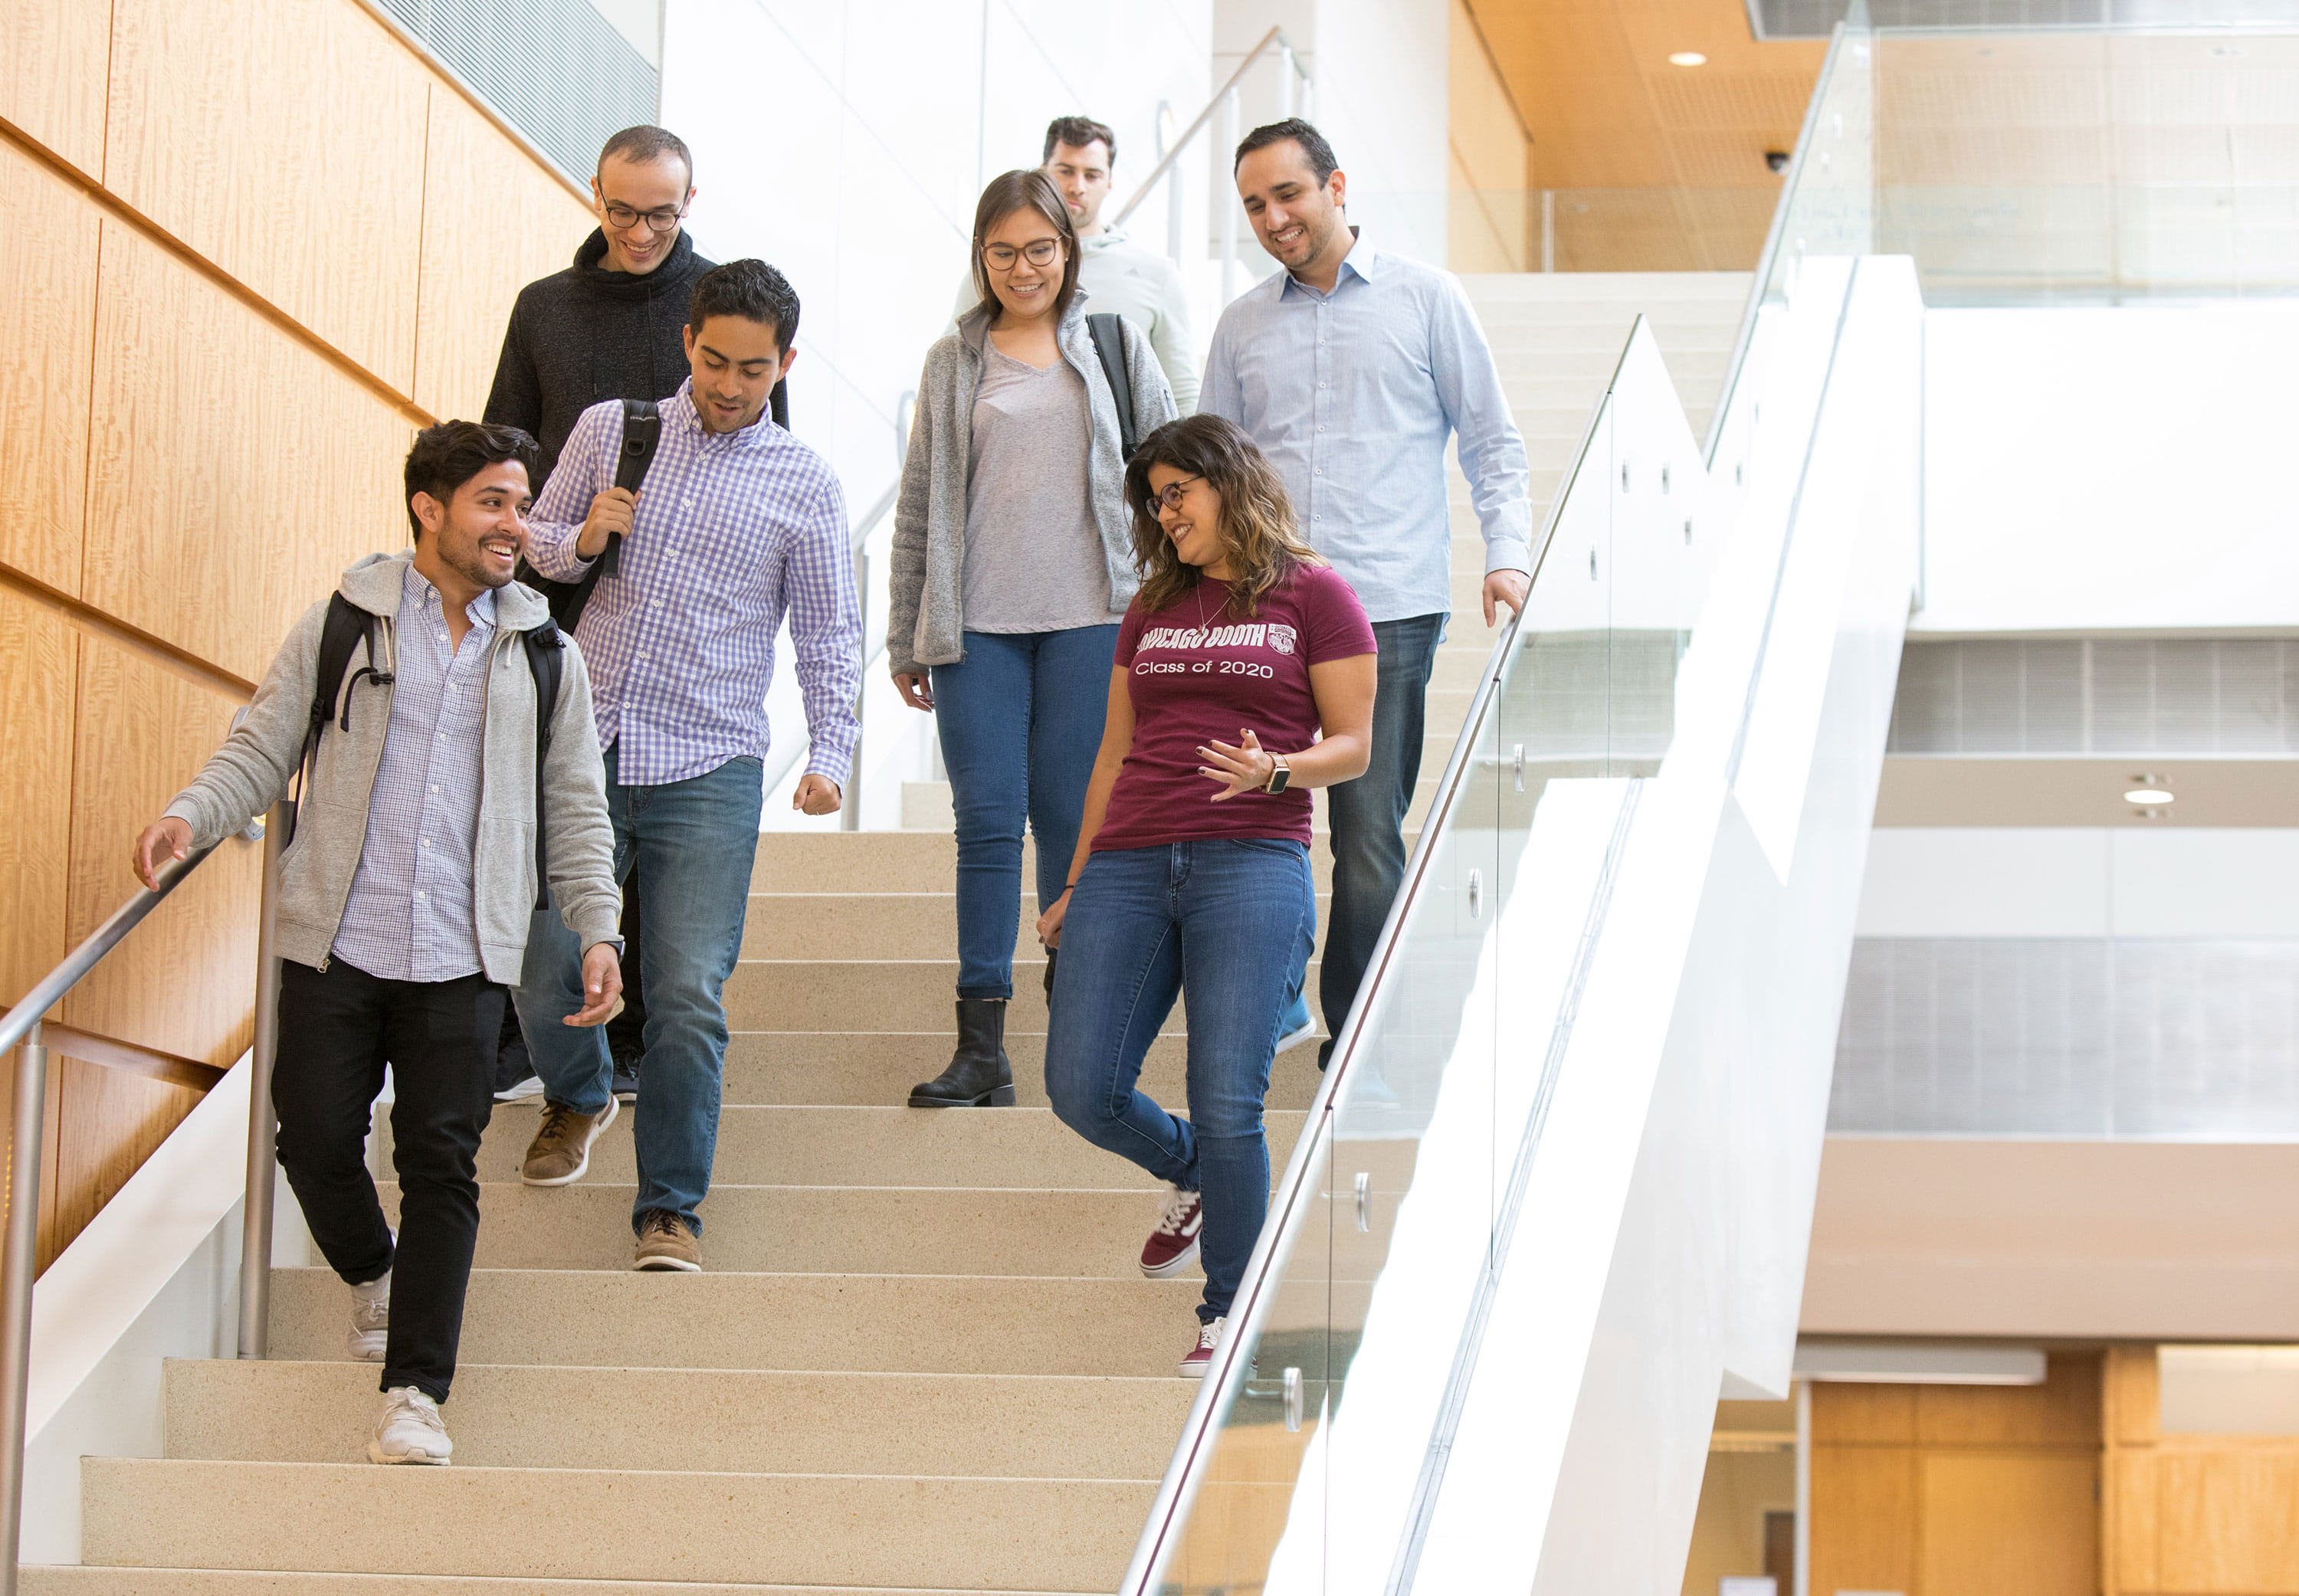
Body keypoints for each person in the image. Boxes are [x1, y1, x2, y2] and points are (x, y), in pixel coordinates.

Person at [130, 422, 625, 1465]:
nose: (515, 524)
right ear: (428, 507)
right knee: (309, 1139)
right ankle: (374, 1269)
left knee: (441, 1161)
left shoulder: (545, 653)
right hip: (337, 940)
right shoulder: (340, 626)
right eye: (493, 502)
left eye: (521, 502)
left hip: (461, 952)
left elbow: (576, 806)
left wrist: (597, 926)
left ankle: (415, 1391)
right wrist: (192, 816)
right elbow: (261, 748)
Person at [511, 258, 862, 1273]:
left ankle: (669, 1204)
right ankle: (578, 1094)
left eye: (753, 369)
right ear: (688, 342)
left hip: (708, 762)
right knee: (543, 959)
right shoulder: (615, 429)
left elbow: (829, 636)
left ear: (784, 362)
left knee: (688, 992)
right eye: (714, 360)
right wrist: (581, 535)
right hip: (586, 742)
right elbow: (534, 542)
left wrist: (829, 751)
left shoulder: (804, 482)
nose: (728, 383)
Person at [1039, 413, 1376, 1376]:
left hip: (1252, 860)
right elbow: (1114, 751)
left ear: (1229, 484)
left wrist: (1277, 771)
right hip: (1131, 861)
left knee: (1230, 1098)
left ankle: (1230, 1307)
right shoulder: (1153, 604)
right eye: (1154, 499)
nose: (1165, 510)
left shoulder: (1317, 595)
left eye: (1178, 490)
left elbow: (1352, 746)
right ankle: (1193, 1173)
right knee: (1080, 1086)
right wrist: (1074, 878)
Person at [1201, 117, 1533, 1066]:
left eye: (1288, 195)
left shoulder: (1428, 300)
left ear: (1337, 187)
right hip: (1262, 611)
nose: (1272, 218)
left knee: (1367, 832)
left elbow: (1492, 441)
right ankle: (1272, 1006)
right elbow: (1209, 474)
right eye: (1255, 205)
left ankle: (1358, 1032)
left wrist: (1506, 553)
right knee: (1256, 821)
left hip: (1387, 608)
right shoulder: (1240, 325)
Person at [891, 169, 1178, 1109]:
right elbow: (919, 506)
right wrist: (907, 633)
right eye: (1005, 250)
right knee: (985, 824)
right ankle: (982, 1048)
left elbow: (1181, 471)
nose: (1025, 267)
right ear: (982, 257)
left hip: (1095, 618)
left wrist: (1177, 607)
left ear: (1069, 250)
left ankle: (1075, 1029)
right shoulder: (952, 362)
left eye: (1041, 248)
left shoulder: (1111, 344)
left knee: (1071, 817)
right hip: (976, 628)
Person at [484, 123, 723, 1105]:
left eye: (660, 213)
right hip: (554, 599)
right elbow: (504, 446)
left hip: (670, 615)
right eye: (621, 210)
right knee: (543, 816)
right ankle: (521, 1036)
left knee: (635, 828)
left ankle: (625, 1042)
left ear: (690, 202)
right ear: (594, 194)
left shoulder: (721, 305)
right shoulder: (546, 307)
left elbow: (759, 463)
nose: (639, 231)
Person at [953, 116, 1199, 411]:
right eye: (1066, 171)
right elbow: (953, 372)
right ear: (1043, 172)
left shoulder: (1157, 275)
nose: (1077, 187)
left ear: (1109, 182)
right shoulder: (998, 271)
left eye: (1092, 175)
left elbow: (1183, 397)